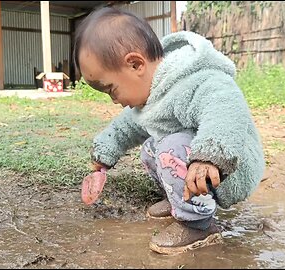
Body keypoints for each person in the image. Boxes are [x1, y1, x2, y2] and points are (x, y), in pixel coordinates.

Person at [73, 7, 265, 255]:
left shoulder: (195, 79)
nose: (114, 100)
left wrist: (209, 156)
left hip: (229, 165)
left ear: (135, 64)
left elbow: (226, 107)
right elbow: (127, 126)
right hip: (197, 165)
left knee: (169, 150)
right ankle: (181, 200)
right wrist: (104, 152)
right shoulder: (151, 95)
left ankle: (198, 224)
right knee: (150, 149)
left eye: (111, 90)